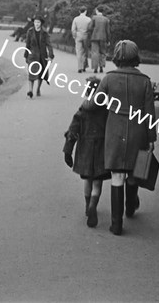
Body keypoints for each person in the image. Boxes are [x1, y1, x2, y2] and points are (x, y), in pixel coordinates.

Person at [83, 40, 156, 235]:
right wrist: (151, 139)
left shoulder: (108, 79)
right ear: (136, 58)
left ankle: (116, 225)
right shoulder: (145, 81)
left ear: (116, 58)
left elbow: (93, 105)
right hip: (138, 132)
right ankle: (131, 206)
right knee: (133, 174)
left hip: (114, 132)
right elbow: (150, 115)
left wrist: (85, 103)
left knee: (117, 175)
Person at [63, 76, 110, 227]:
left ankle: (87, 205)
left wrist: (67, 151)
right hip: (101, 151)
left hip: (85, 151)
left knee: (87, 181)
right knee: (97, 182)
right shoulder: (106, 111)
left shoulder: (82, 111)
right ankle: (93, 206)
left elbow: (72, 131)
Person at [23, 15, 54, 98]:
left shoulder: (44, 33)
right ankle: (30, 90)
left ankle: (38, 89)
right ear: (33, 23)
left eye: (38, 22)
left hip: (42, 55)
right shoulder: (30, 32)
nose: (36, 24)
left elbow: (49, 44)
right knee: (32, 72)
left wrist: (51, 55)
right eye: (35, 22)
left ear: (41, 23)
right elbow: (27, 44)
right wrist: (26, 55)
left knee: (41, 73)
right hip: (32, 55)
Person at [87, 5, 111, 74]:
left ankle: (95, 68)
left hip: (94, 38)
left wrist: (93, 30)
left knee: (95, 53)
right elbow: (108, 31)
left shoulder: (94, 18)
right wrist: (108, 40)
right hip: (103, 38)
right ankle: (101, 67)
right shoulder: (106, 19)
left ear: (97, 11)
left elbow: (89, 28)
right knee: (103, 52)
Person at [71, 6, 91, 73]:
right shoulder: (88, 19)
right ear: (85, 11)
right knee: (85, 52)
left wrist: (74, 36)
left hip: (78, 35)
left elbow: (73, 29)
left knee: (79, 52)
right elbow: (90, 29)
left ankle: (79, 67)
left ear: (79, 11)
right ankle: (84, 66)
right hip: (86, 36)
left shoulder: (76, 19)